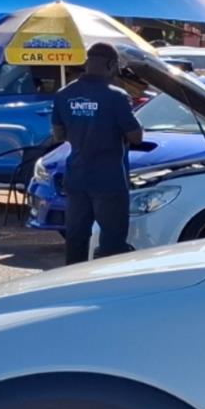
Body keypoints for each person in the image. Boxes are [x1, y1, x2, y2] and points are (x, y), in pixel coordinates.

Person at [50, 43, 140, 264]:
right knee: (112, 240)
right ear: (111, 65)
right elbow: (135, 137)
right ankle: (107, 280)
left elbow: (58, 135)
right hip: (108, 178)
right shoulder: (117, 96)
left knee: (76, 236)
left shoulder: (64, 94)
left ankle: (73, 278)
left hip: (76, 175)